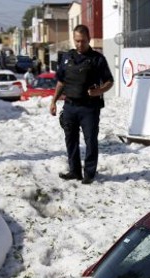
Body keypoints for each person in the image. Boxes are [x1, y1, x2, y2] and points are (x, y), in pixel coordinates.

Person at [50, 24, 114, 185]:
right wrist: (53, 101)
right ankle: (74, 171)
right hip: (70, 106)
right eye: (77, 41)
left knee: (90, 141)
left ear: (89, 39)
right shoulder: (66, 58)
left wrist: (98, 91)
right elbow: (61, 82)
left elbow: (109, 81)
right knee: (70, 140)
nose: (80, 44)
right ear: (74, 39)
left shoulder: (98, 59)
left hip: (89, 108)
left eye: (83, 41)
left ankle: (89, 173)